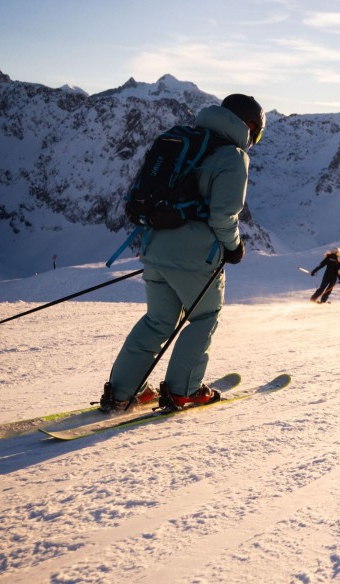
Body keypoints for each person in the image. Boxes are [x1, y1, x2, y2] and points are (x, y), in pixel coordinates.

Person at [99, 94, 265, 411]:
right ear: (251, 127)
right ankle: (183, 390)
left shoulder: (186, 140)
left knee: (157, 321)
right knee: (203, 318)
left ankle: (122, 392)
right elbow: (223, 216)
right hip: (195, 256)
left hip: (154, 246)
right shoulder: (232, 155)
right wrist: (234, 247)